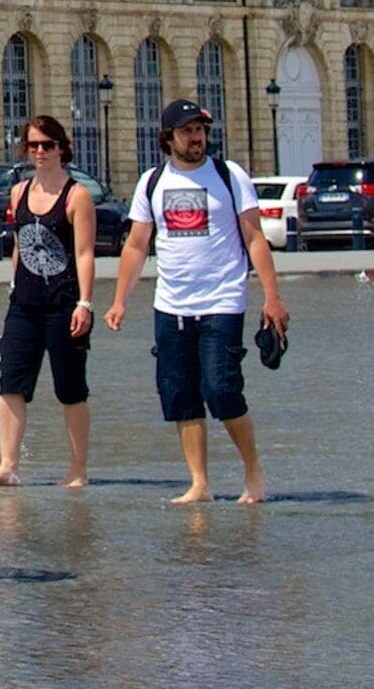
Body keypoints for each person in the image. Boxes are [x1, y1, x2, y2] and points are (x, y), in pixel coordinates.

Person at [104, 99, 288, 506]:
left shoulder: (229, 175)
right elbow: (136, 245)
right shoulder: (152, 182)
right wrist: (119, 301)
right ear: (168, 137)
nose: (196, 137)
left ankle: (253, 471)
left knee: (221, 389)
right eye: (187, 131)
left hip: (222, 301)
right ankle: (199, 483)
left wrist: (272, 297)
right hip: (171, 305)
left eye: (200, 129)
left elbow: (255, 237)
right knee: (180, 394)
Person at [0, 115, 96, 489]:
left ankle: (78, 469)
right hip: (24, 304)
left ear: (61, 148)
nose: (40, 151)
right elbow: (20, 246)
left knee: (70, 389)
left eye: (47, 145)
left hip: (64, 303)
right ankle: (7, 465)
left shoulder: (77, 196)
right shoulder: (19, 192)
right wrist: (13, 287)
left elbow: (84, 253)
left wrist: (85, 303)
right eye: (33, 145)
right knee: (10, 383)